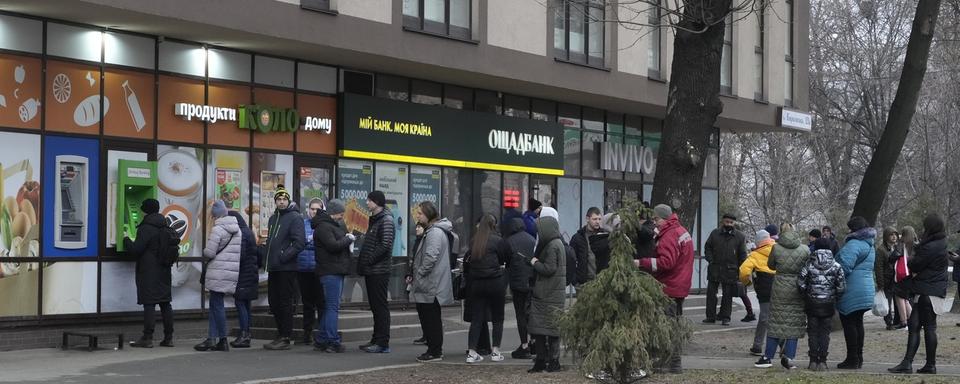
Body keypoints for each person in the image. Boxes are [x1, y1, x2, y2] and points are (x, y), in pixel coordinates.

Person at [634, 204, 694, 374]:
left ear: (665, 218)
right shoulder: (680, 231)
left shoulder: (669, 235)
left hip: (669, 287)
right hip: (679, 285)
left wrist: (641, 262)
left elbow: (666, 262)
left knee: (667, 326)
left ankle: (669, 363)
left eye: (656, 219)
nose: (654, 223)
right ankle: (673, 363)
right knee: (673, 325)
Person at [889, 214, 949, 374]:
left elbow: (915, 265)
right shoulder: (940, 243)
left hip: (926, 292)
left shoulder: (929, 246)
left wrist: (911, 257)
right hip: (931, 291)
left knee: (926, 328)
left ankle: (927, 364)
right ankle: (910, 363)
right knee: (915, 326)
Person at [753, 229, 808, 369]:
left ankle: (767, 357)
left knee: (775, 323)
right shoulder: (805, 249)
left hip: (779, 287)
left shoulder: (775, 248)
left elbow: (771, 265)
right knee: (793, 325)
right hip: (797, 287)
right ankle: (789, 357)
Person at [124, 198, 174, 348]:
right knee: (165, 303)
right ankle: (168, 338)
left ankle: (147, 337)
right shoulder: (165, 225)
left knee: (149, 303)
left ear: (145, 210)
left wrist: (126, 238)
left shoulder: (146, 227)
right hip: (164, 269)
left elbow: (136, 249)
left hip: (149, 270)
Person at [408, 201, 454, 362]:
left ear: (429, 214)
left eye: (420, 213)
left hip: (431, 283)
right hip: (430, 282)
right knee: (430, 318)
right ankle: (434, 349)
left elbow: (430, 257)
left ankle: (435, 351)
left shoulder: (434, 233)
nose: (418, 216)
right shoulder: (434, 231)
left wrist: (420, 273)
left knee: (431, 319)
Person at [262, 185, 306, 350]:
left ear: (288, 201)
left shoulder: (295, 217)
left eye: (284, 199)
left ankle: (285, 336)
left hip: (286, 267)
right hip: (274, 267)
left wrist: (283, 255)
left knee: (285, 302)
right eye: (279, 200)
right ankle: (280, 333)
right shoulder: (273, 218)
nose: (281, 202)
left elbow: (300, 242)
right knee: (274, 303)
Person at [464, 214, 511, 364]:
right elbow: (507, 258)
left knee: (477, 318)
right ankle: (496, 351)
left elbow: (469, 261)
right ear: (493, 225)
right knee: (498, 318)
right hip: (495, 282)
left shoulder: (474, 242)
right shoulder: (498, 241)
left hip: (477, 284)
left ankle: (472, 352)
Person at [195, 200, 241, 352]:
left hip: (217, 272)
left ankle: (222, 339)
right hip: (229, 271)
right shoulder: (237, 229)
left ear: (216, 215)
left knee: (217, 306)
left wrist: (204, 251)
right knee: (216, 305)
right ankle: (212, 338)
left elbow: (210, 252)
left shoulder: (218, 229)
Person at [313, 199, 356, 353]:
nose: (341, 217)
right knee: (332, 307)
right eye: (340, 214)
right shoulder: (325, 227)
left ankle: (322, 338)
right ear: (332, 213)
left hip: (332, 270)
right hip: (331, 271)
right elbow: (333, 246)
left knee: (329, 307)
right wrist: (347, 239)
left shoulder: (326, 225)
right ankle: (332, 340)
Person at [798, 238, 845, 371]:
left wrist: (806, 294)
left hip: (812, 303)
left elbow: (800, 282)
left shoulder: (808, 264)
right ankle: (823, 361)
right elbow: (841, 287)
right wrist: (835, 297)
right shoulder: (836, 266)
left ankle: (813, 360)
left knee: (812, 333)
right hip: (828, 303)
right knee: (825, 333)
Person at [835, 216, 876, 369]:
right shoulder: (870, 244)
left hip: (852, 289)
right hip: (866, 288)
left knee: (849, 323)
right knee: (858, 323)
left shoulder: (854, 244)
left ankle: (852, 359)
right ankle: (858, 357)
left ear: (853, 229)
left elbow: (844, 266)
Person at [357, 190, 395, 353]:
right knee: (375, 306)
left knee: (380, 306)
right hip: (372, 270)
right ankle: (376, 338)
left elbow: (385, 245)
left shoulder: (385, 220)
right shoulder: (376, 220)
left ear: (377, 202)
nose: (367, 203)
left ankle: (382, 342)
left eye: (369, 200)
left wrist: (369, 260)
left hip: (379, 271)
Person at [528, 214, 566, 373]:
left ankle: (546, 361)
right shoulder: (557, 243)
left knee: (543, 329)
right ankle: (550, 361)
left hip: (546, 294)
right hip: (553, 293)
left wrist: (535, 263)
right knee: (549, 329)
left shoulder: (552, 246)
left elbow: (549, 269)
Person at [502, 209, 536, 359]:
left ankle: (524, 345)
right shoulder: (532, 239)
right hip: (532, 281)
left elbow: (506, 262)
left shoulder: (509, 241)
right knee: (531, 313)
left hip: (517, 283)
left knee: (520, 314)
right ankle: (534, 342)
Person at [703, 213, 748, 326]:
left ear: (734, 223)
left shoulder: (740, 237)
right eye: (727, 222)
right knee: (711, 294)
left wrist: (741, 270)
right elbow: (707, 247)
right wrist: (710, 260)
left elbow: (742, 254)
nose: (729, 224)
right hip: (715, 267)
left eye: (731, 222)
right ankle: (710, 317)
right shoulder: (715, 233)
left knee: (727, 295)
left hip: (731, 270)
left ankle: (725, 317)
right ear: (722, 222)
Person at [740, 230, 777, 356]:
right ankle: (783, 345)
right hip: (780, 285)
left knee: (764, 317)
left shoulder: (754, 255)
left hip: (764, 286)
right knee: (779, 317)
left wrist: (747, 283)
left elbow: (744, 272)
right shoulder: (777, 249)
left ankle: (757, 346)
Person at [229, 211, 259, 348]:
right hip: (250, 273)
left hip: (243, 274)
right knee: (246, 304)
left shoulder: (241, 234)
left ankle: (244, 334)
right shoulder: (248, 231)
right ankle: (246, 333)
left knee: (240, 303)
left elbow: (240, 255)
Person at [297, 198, 325, 345]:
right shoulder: (302, 224)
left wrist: (309, 242)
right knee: (307, 303)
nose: (314, 211)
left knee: (320, 302)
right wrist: (309, 242)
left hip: (318, 268)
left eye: (317, 209)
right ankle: (306, 333)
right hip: (303, 268)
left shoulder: (323, 225)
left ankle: (321, 333)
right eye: (312, 208)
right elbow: (299, 243)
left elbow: (322, 244)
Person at [571, 207, 610, 286]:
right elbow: (571, 259)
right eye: (594, 219)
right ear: (587, 219)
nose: (597, 222)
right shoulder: (578, 238)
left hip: (602, 281)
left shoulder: (604, 236)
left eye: (599, 219)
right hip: (584, 282)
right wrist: (575, 279)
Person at [890, 227, 917, 330]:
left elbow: (892, 257)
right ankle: (912, 320)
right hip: (912, 275)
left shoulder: (902, 245)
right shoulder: (916, 245)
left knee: (900, 298)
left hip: (903, 276)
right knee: (905, 299)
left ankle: (903, 321)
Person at [876, 227, 899, 330]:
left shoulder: (897, 248)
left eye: (895, 234)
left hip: (897, 279)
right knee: (887, 303)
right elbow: (878, 268)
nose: (894, 236)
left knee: (898, 301)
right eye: (891, 234)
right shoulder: (881, 250)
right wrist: (880, 284)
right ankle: (889, 323)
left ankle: (898, 321)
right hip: (886, 280)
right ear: (886, 237)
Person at [408, 222, 427, 346]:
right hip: (415, 275)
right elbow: (413, 259)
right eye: (416, 227)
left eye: (419, 227)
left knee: (425, 308)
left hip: (422, 277)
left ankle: (427, 335)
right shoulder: (416, 241)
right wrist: (409, 274)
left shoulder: (425, 241)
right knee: (420, 308)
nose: (417, 229)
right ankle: (425, 334)